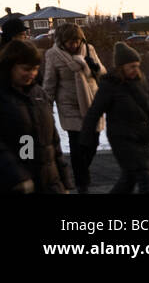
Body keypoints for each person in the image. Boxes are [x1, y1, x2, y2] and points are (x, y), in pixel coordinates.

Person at [0, 39, 70, 194]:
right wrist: (18, 175)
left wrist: (63, 181)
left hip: (44, 182)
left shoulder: (38, 94)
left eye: (36, 69)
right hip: (6, 184)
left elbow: (51, 141)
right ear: (10, 66)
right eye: (26, 69)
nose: (32, 74)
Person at [80, 42, 149, 194]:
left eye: (137, 65)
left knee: (130, 178)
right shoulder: (109, 86)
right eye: (131, 66)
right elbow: (94, 112)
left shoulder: (140, 82)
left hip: (143, 137)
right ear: (121, 67)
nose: (136, 70)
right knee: (145, 176)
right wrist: (87, 137)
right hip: (122, 139)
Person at [41, 23, 105, 193]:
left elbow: (102, 73)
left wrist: (95, 68)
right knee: (77, 145)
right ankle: (82, 183)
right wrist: (46, 105)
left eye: (77, 41)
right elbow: (49, 82)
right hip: (69, 105)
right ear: (62, 41)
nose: (74, 45)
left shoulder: (89, 50)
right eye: (70, 42)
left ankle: (82, 172)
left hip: (91, 101)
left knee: (93, 142)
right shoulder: (53, 55)